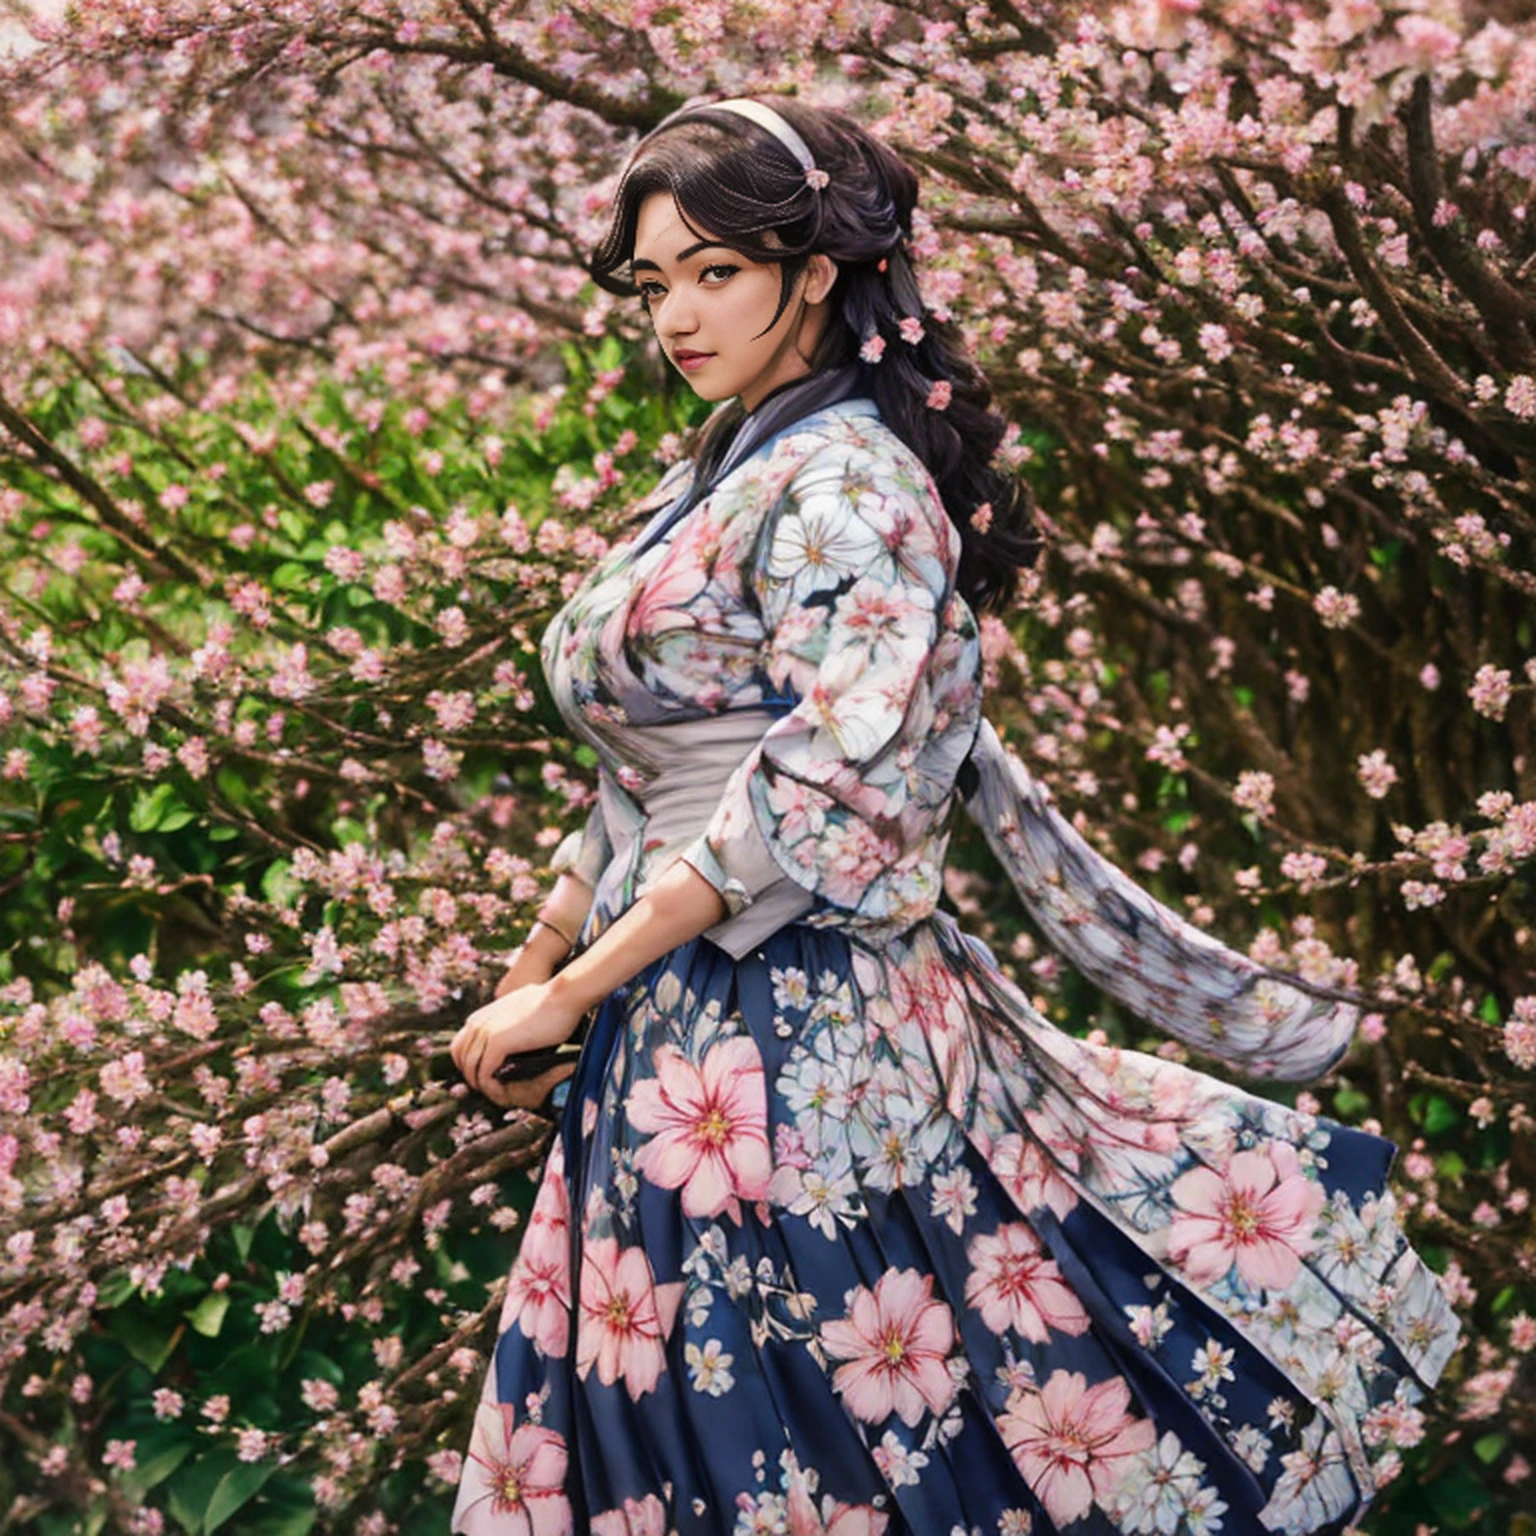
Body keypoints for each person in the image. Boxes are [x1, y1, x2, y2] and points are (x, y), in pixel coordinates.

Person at [447, 97, 1458, 1536]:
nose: (675, 312)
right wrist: (532, 981)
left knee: (822, 1426)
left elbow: (815, 787)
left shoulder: (854, 478)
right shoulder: (713, 477)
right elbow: (634, 779)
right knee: (673, 1417)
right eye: (656, 278)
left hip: (798, 1032)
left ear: (815, 272)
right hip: (671, 1035)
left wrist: (577, 987)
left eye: (714, 270)